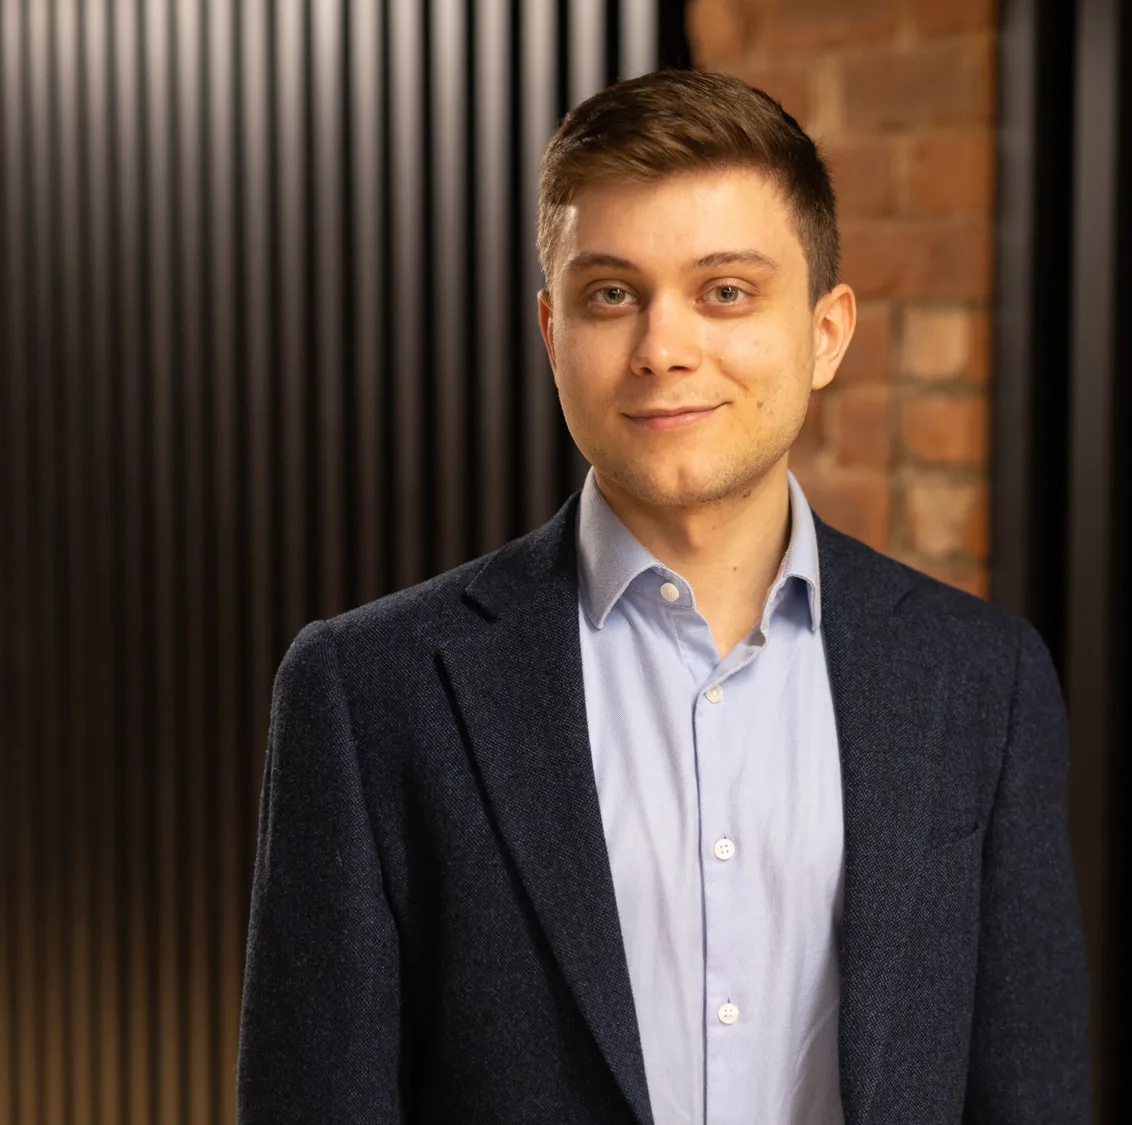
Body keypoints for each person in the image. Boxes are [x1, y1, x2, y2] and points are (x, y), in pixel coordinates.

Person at [235, 68, 1086, 1124]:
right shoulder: (370, 691)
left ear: (825, 333)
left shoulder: (980, 681)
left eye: (725, 290)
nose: (662, 349)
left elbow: (1028, 1093)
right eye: (610, 294)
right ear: (552, 333)